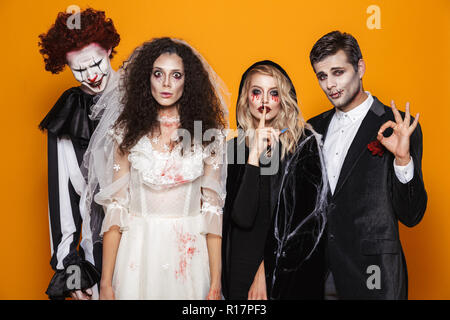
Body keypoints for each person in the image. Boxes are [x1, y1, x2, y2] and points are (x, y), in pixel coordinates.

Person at [84, 37, 228, 299]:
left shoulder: (208, 137)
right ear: (145, 79)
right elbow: (115, 211)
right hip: (137, 255)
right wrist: (105, 282)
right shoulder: (125, 135)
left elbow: (213, 213)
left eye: (176, 75)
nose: (166, 84)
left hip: (190, 258)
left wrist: (216, 281)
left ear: (188, 81)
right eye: (158, 74)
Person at [307, 31, 427, 299]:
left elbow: (412, 215)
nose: (330, 85)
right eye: (322, 76)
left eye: (338, 72)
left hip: (375, 277)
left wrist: (402, 159)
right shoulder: (312, 128)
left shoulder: (397, 127)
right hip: (318, 273)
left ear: (360, 67)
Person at [222, 61, 328, 300]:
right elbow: (241, 216)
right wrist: (253, 156)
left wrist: (265, 269)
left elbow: (307, 222)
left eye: (274, 93)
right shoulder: (233, 148)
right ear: (245, 98)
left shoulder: (303, 145)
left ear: (284, 99)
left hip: (283, 268)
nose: (264, 101)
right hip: (239, 266)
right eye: (256, 92)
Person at [38, 8, 120, 300]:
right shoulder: (68, 113)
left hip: (154, 239)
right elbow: (63, 200)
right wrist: (71, 272)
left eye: (96, 62)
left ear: (110, 49)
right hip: (96, 252)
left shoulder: (147, 92)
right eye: (79, 69)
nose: (92, 75)